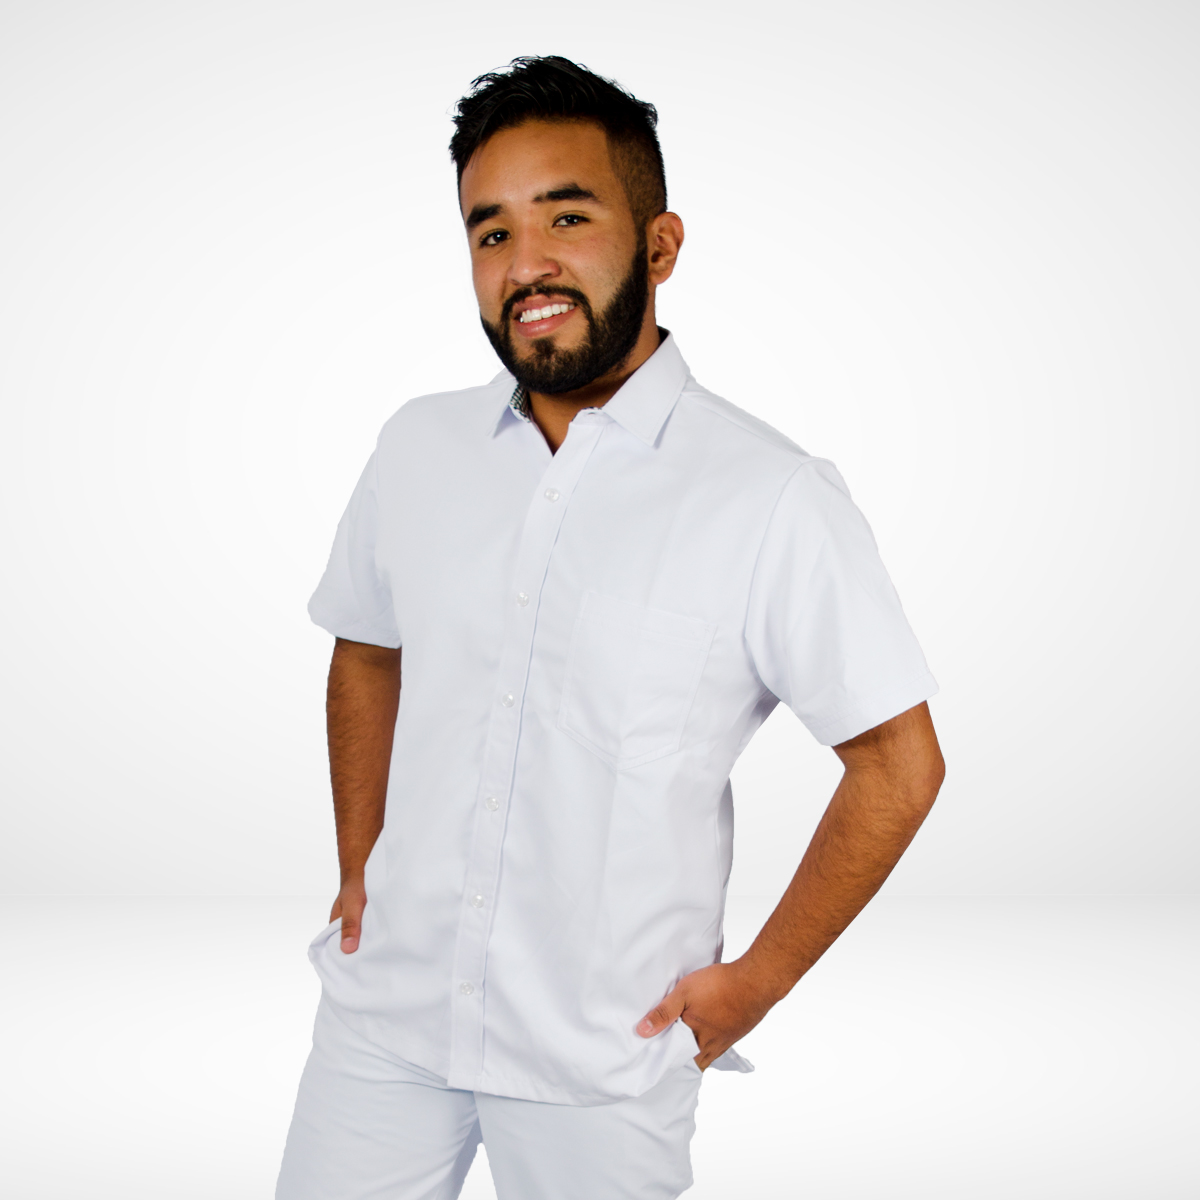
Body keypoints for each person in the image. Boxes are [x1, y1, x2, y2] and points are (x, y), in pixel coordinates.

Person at [276, 55, 945, 1200]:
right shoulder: (417, 448)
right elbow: (368, 649)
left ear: (660, 244)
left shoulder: (768, 497)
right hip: (384, 1021)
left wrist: (757, 983)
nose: (525, 264)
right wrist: (357, 865)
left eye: (568, 217)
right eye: (491, 232)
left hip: (601, 1055)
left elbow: (898, 764)